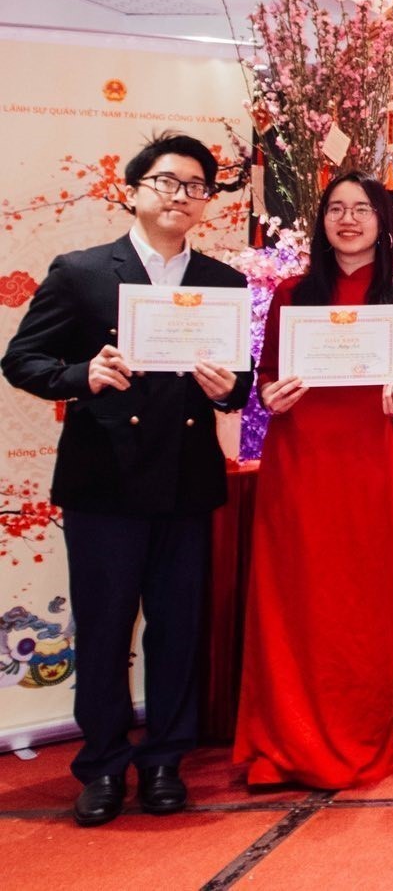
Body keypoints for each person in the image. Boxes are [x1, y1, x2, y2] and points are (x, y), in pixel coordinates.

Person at [2, 133, 250, 827]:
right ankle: (103, 766)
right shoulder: (82, 272)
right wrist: (83, 375)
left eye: (196, 186)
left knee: (176, 630)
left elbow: (241, 385)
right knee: (106, 631)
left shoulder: (223, 283)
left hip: (186, 484)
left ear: (207, 203)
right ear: (134, 189)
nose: (181, 196)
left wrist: (230, 388)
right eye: (167, 181)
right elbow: (22, 359)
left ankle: (166, 760)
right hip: (103, 485)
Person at [235, 172, 393, 789]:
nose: (348, 219)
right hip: (297, 464)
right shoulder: (294, 294)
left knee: (356, 604)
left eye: (362, 209)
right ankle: (283, 742)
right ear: (323, 222)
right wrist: (272, 395)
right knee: (291, 600)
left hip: (365, 464)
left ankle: (355, 738)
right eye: (336, 209)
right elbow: (266, 379)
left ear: (382, 222)